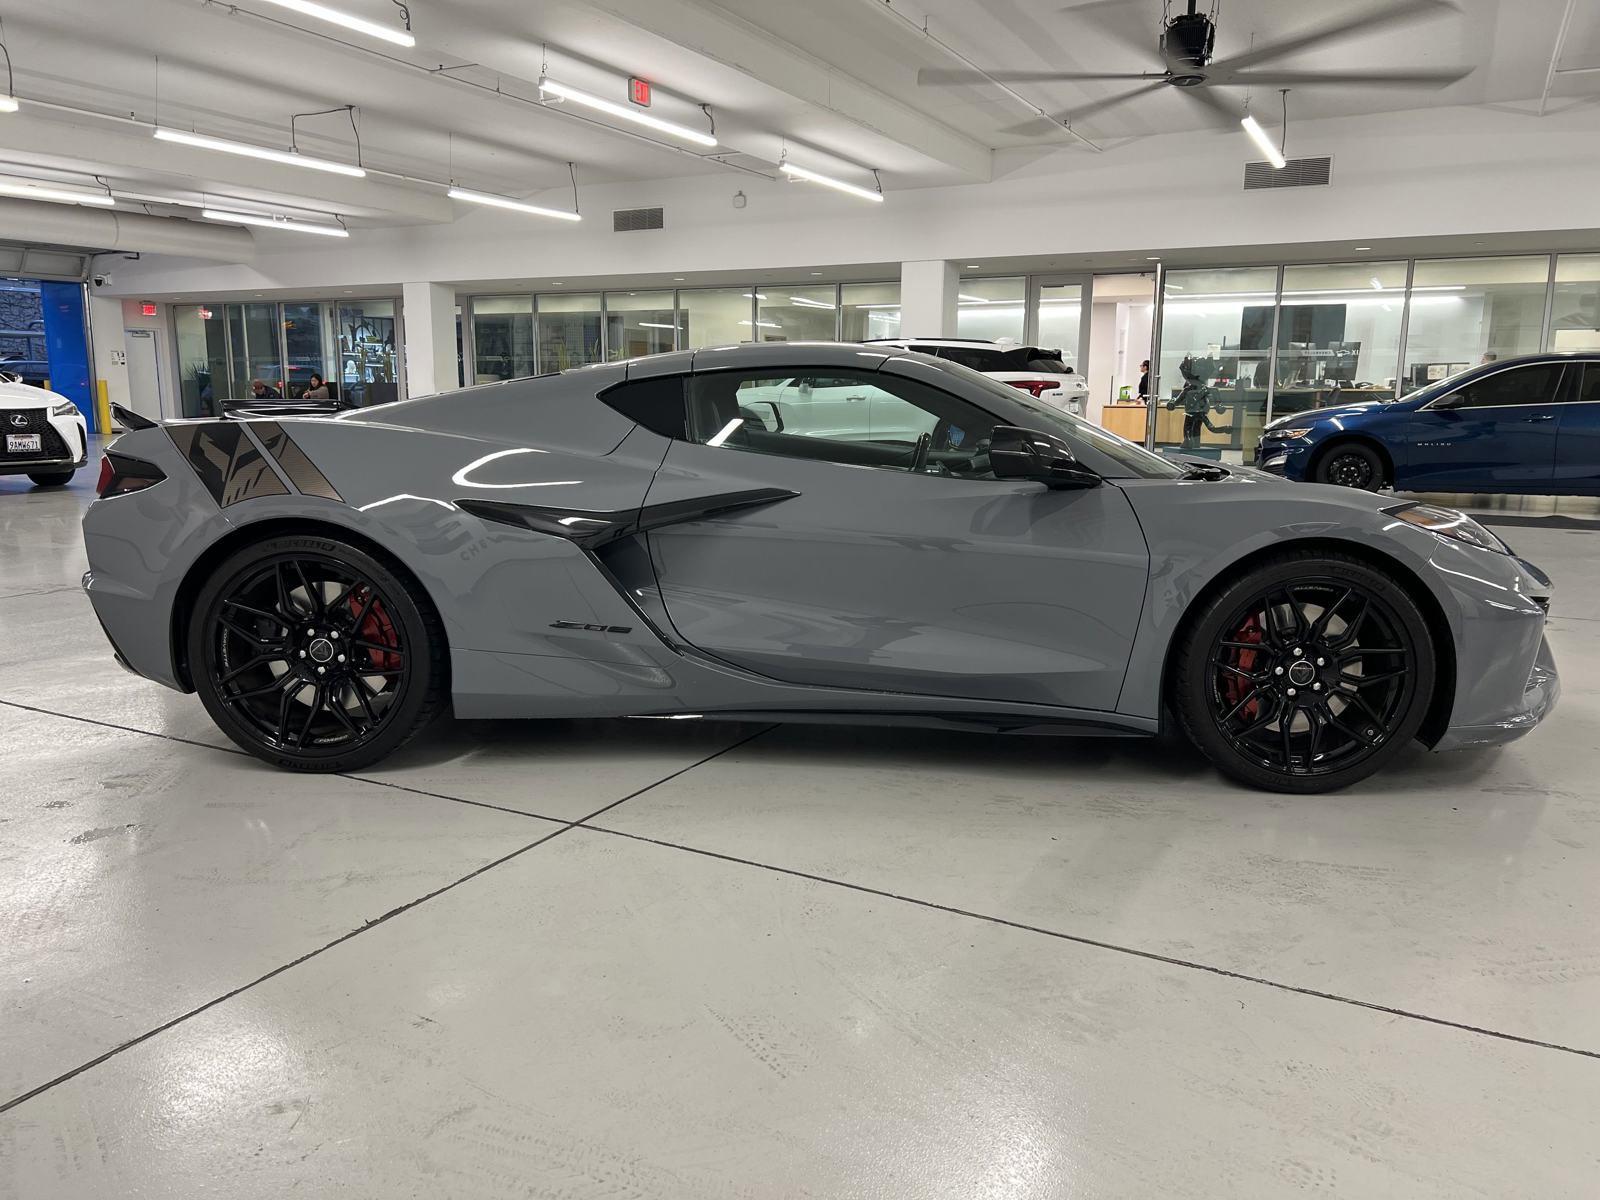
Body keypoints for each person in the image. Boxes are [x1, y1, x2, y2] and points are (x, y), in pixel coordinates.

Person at [1165, 355, 1233, 449]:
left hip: (1191, 412)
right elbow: (1216, 395)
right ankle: (1199, 441)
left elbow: (1177, 401)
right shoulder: (1206, 389)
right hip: (1202, 411)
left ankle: (1188, 441)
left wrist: (1172, 403)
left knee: (1188, 427)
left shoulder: (1187, 390)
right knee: (1206, 427)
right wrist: (1219, 405)